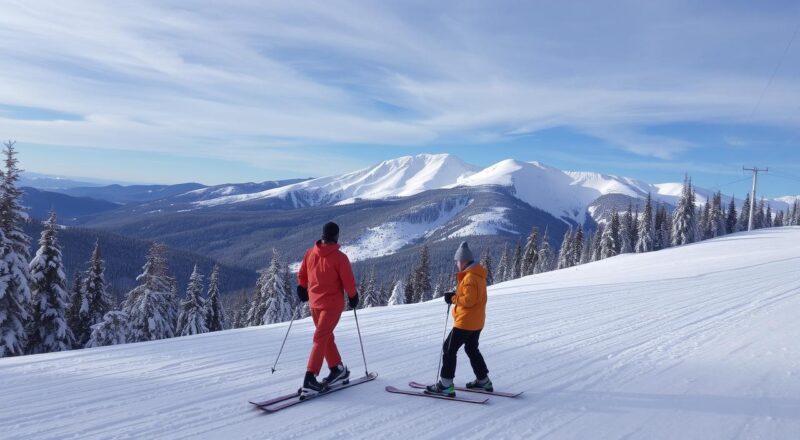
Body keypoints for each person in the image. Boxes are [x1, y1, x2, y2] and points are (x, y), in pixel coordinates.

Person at [297, 222, 359, 393]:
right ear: (336, 236)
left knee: (322, 337)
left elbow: (302, 274)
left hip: (315, 304)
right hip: (331, 306)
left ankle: (336, 370)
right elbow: (348, 281)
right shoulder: (340, 258)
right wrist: (353, 297)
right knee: (322, 338)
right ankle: (312, 377)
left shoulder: (310, 253)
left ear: (323, 235)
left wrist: (301, 287)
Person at [426, 241, 491, 397]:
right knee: (471, 348)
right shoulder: (478, 275)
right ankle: (483, 381)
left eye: (457, 261)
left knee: (449, 349)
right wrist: (455, 296)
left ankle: (446, 385)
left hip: (466, 322)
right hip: (477, 321)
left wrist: (454, 298)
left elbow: (468, 300)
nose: (456, 264)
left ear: (462, 262)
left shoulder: (469, 278)